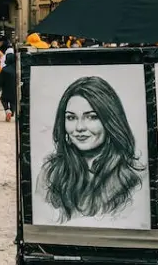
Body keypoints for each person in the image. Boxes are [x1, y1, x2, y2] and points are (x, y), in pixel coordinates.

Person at [40, 76, 144, 221]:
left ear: (110, 122)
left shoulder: (133, 178)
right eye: (71, 118)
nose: (80, 127)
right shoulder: (51, 173)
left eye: (92, 117)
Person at [0, 49, 18, 122]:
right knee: (14, 101)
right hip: (15, 89)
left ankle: (7, 110)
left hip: (6, 89)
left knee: (4, 100)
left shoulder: (4, 69)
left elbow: (0, 81)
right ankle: (12, 112)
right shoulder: (17, 69)